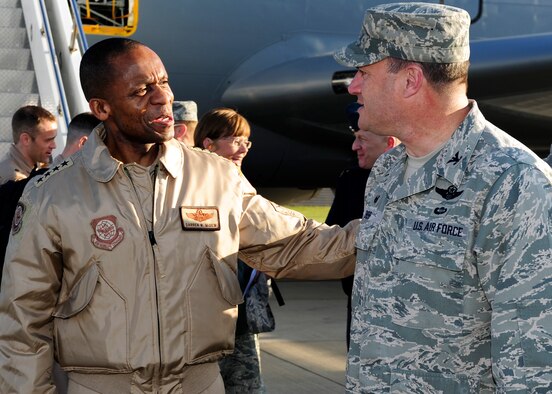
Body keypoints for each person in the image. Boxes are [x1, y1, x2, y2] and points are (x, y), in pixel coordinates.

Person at [0, 37, 358, 393]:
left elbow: (296, 245)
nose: (163, 97)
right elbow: (22, 320)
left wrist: (389, 233)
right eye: (141, 90)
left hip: (199, 384)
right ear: (102, 108)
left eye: (164, 82)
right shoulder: (52, 194)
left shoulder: (217, 177)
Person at [334, 3, 552, 392]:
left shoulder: (515, 184)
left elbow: (534, 365)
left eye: (364, 72)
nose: (353, 86)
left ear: (411, 80)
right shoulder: (386, 171)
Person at [195, 107, 267, 393]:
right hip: (204, 317)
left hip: (240, 314)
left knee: (248, 386)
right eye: (235, 140)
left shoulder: (239, 182)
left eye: (245, 141)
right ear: (208, 144)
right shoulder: (191, 186)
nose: (242, 149)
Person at [325, 103, 398, 350]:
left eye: (361, 139)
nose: (354, 146)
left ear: (389, 144)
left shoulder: (421, 183)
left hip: (404, 308)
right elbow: (333, 236)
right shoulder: (351, 182)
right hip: (360, 301)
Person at [0, 105, 57, 185]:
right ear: (26, 139)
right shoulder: (14, 180)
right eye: (48, 140)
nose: (54, 146)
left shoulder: (33, 166)